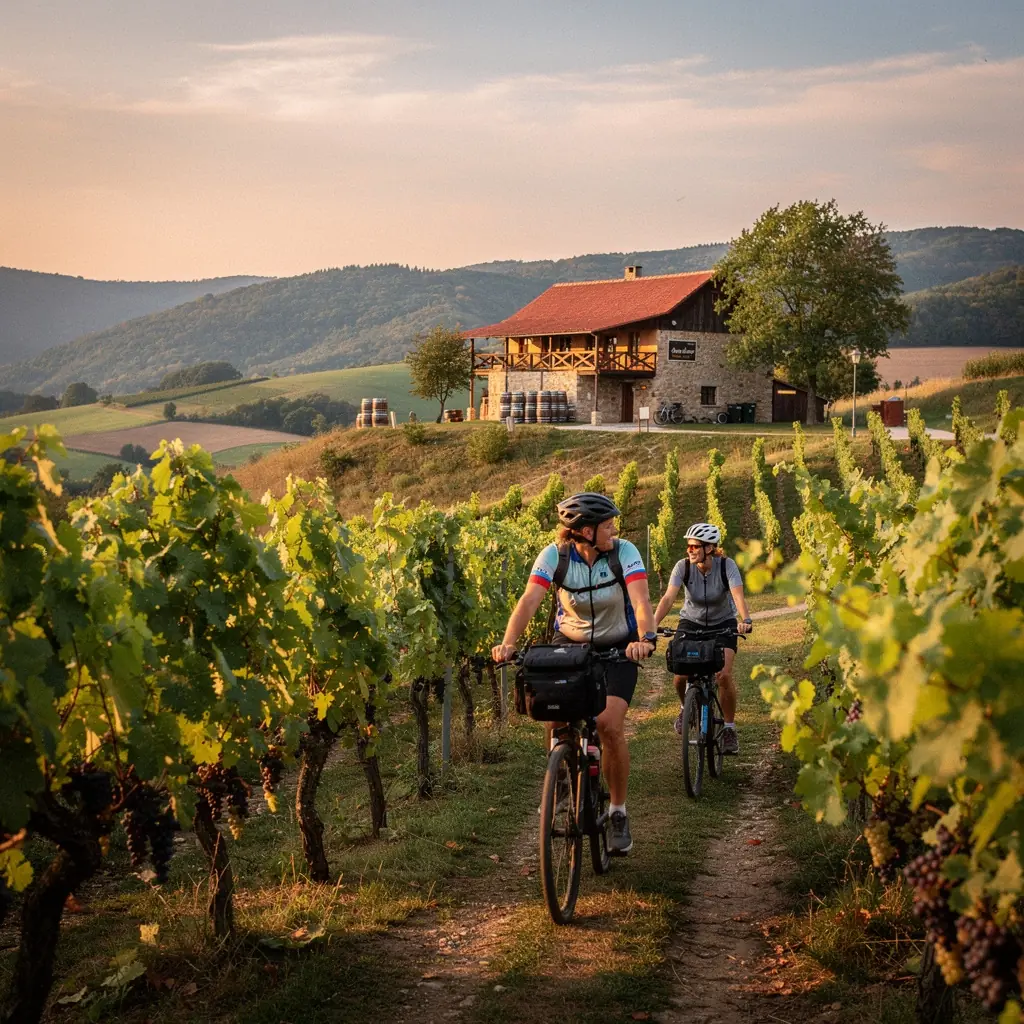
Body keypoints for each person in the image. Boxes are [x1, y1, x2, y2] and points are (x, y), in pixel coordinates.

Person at [492, 492, 657, 855]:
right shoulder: (555, 556)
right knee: (554, 717)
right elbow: (529, 601)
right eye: (607, 525)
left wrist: (644, 638)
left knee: (610, 725)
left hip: (619, 647)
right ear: (585, 531)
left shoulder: (624, 552)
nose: (614, 529)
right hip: (570, 644)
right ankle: (562, 780)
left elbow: (641, 600)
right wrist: (507, 643)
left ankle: (617, 812)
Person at [652, 523, 752, 755]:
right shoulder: (682, 567)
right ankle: (685, 707)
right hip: (691, 622)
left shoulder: (727, 566)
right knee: (680, 675)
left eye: (695, 546)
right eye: (688, 546)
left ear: (710, 548)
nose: (690, 550)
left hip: (723, 623)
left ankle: (728, 728)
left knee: (723, 675)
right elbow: (668, 598)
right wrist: (651, 625)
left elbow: (737, 595)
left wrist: (745, 619)